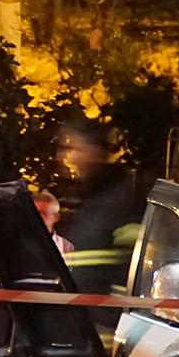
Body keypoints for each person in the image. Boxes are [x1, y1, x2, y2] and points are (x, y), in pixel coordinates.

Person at [54, 121, 141, 325]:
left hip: (107, 329)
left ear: (93, 150)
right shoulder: (89, 199)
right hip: (85, 323)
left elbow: (129, 272)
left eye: (72, 148)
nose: (62, 157)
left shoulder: (122, 201)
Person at [33, 190, 74, 255]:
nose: (36, 218)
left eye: (42, 214)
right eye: (33, 213)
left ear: (56, 217)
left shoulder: (66, 247)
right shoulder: (15, 245)